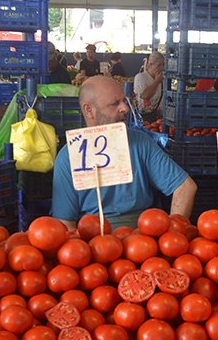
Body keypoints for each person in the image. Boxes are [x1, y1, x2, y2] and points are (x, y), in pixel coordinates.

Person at [50, 76, 197, 230]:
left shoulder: (141, 142)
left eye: (124, 101)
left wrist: (172, 235)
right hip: (93, 238)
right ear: (89, 110)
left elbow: (185, 187)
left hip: (144, 235)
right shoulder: (68, 157)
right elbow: (65, 222)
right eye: (115, 104)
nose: (125, 108)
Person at [133, 51, 164, 121]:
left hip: (156, 116)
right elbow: (144, 96)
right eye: (159, 65)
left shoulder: (162, 79)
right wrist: (157, 81)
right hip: (143, 117)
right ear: (150, 64)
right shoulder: (141, 77)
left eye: (163, 65)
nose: (162, 68)